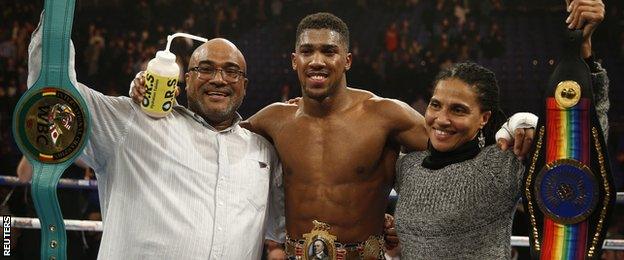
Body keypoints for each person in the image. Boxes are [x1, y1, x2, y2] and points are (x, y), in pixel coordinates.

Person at [130, 12, 535, 259]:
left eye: (329, 51)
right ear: (294, 60)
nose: (317, 60)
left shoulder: (385, 115)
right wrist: (151, 95)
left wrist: (515, 122)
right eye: (307, 51)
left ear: (347, 59)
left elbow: (454, 139)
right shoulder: (272, 120)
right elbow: (210, 131)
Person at [26, 14, 282, 259]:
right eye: (205, 69)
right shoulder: (132, 123)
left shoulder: (263, 153)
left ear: (245, 86)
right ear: (187, 79)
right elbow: (54, 92)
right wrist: (58, 11)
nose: (218, 79)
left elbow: (285, 230)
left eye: (231, 71)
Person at [393, 1, 609, 258]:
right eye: (435, 105)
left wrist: (582, 51)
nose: (441, 118)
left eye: (458, 110)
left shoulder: (501, 163)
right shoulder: (406, 167)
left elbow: (580, 148)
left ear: (484, 118)